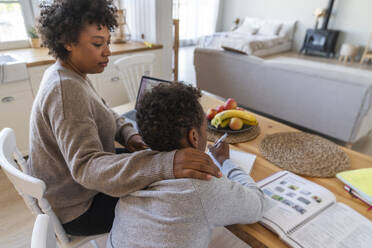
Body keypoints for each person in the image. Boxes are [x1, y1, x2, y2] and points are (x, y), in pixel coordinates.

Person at [28, 0, 220, 236]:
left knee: (156, 163)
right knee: (169, 189)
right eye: (98, 44)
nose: (107, 51)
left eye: (107, 42)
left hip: (71, 187)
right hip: (77, 208)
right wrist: (165, 165)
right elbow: (87, 167)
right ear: (67, 42)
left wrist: (130, 134)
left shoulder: (71, 74)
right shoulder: (65, 89)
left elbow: (105, 111)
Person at [108, 83, 266, 248]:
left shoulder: (133, 166)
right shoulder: (202, 185)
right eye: (205, 129)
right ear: (194, 136)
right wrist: (225, 162)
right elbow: (258, 204)